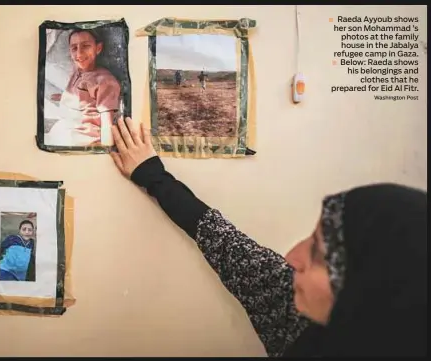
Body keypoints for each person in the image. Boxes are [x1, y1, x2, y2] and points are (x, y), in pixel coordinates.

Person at [108, 117, 427, 357]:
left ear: (373, 290)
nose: (291, 257)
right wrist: (152, 175)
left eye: (317, 254)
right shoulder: (289, 302)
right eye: (310, 237)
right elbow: (218, 237)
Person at [46, 28, 122, 147]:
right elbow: (83, 96)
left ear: (98, 48)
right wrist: (65, 97)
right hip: (63, 130)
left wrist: (104, 149)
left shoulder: (105, 81)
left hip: (83, 139)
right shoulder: (76, 71)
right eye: (74, 48)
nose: (79, 54)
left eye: (86, 46)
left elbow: (107, 123)